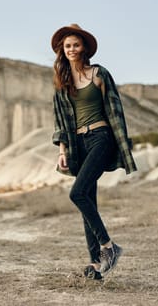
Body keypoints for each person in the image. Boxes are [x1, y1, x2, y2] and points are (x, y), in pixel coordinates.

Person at [51, 24, 137, 280]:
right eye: (68, 46)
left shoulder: (99, 74)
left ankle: (109, 247)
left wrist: (121, 143)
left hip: (101, 138)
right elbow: (59, 121)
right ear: (62, 50)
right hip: (78, 144)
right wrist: (62, 150)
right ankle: (96, 266)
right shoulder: (62, 83)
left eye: (76, 45)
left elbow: (115, 110)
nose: (72, 49)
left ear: (84, 47)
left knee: (76, 193)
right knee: (87, 197)